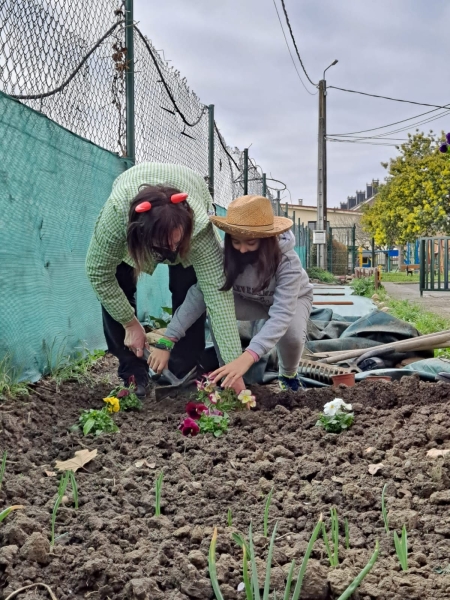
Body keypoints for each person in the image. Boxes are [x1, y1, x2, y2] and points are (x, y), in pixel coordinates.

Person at [86, 163, 244, 397]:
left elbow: (217, 296)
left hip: (190, 201)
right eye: (163, 246)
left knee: (187, 287)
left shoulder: (198, 227)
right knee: (119, 281)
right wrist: (129, 323)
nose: (171, 251)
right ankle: (133, 372)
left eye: (175, 243)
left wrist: (234, 371)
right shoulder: (117, 216)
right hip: (132, 223)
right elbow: (98, 273)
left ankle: (184, 368)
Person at [149, 194, 313, 391]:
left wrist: (248, 356)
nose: (242, 249)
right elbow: (199, 296)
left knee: (293, 336)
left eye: (251, 243)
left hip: (295, 299)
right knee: (216, 305)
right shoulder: (223, 256)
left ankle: (288, 375)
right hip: (247, 300)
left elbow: (282, 314)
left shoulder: (287, 262)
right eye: (236, 242)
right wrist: (168, 339)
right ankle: (227, 372)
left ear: (267, 238)